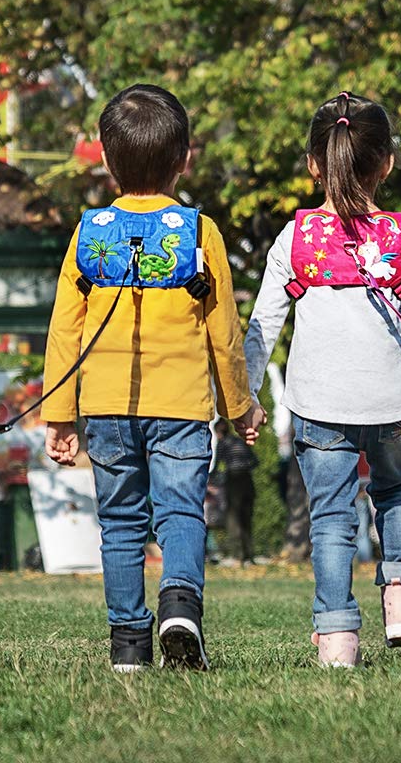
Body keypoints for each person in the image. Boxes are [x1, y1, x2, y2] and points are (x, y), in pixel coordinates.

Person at [41, 84, 263, 672]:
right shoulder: (199, 232)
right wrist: (240, 404)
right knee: (181, 512)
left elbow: (65, 329)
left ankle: (128, 647)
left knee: (119, 523)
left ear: (108, 161)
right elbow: (224, 330)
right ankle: (181, 604)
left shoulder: (88, 234)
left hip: (107, 406)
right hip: (183, 407)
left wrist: (59, 414)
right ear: (185, 158)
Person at [244, 93, 401, 668]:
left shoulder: (296, 240)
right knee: (394, 495)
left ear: (314, 164)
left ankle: (337, 638)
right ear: (385, 163)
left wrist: (246, 397)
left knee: (331, 519)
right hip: (393, 407)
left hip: (321, 407)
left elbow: (262, 325)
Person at [212, 425, 257, 563]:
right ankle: (249, 554)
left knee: (234, 517)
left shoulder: (223, 443)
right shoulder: (239, 441)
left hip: (234, 480)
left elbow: (218, 463)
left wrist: (213, 478)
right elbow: (255, 461)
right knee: (246, 518)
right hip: (247, 480)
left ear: (219, 432)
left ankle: (238, 554)